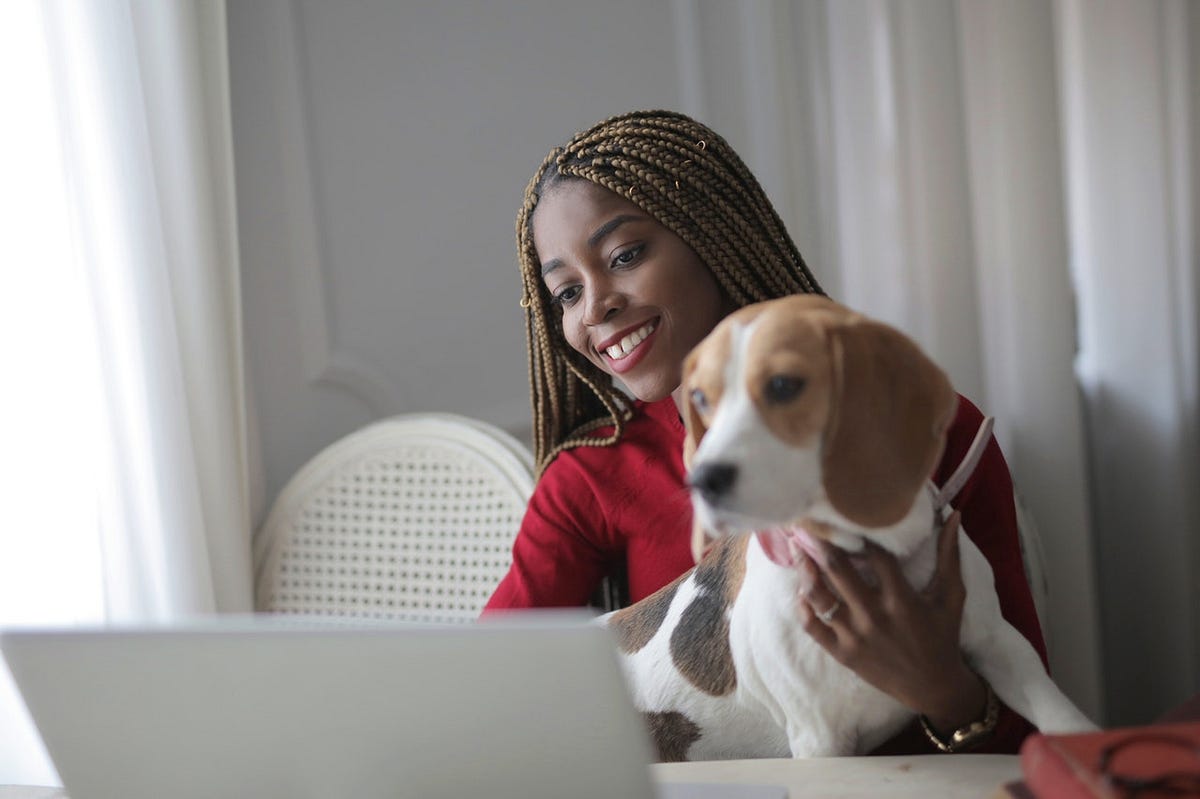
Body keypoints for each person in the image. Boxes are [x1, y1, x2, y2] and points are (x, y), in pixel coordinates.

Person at [484, 109, 1047, 756]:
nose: (595, 306)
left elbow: (1029, 731)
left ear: (710, 234)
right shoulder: (591, 475)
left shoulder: (926, 429)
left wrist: (942, 690)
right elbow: (484, 679)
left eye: (625, 255)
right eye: (565, 293)